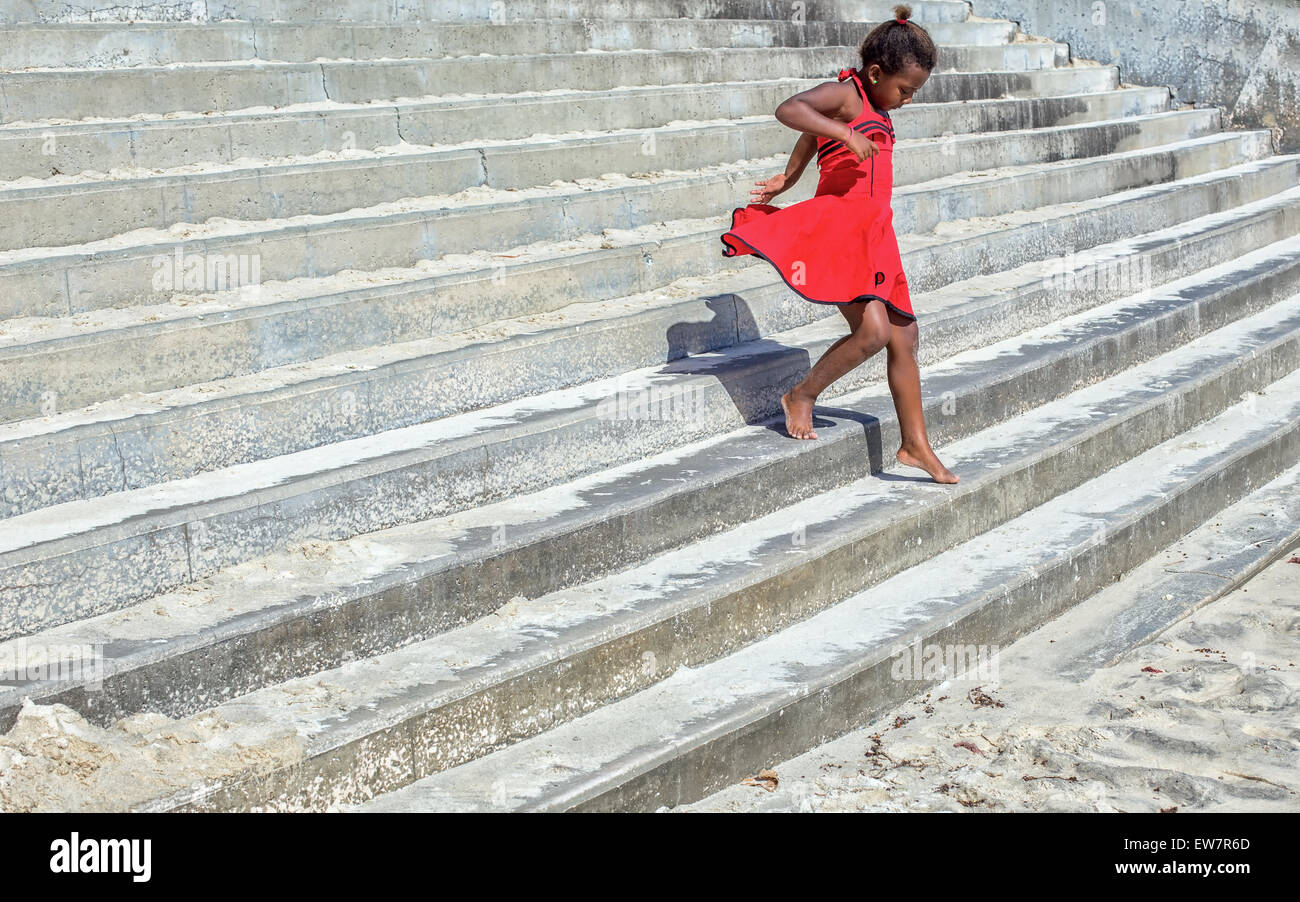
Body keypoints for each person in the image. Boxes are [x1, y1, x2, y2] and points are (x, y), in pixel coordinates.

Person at [720, 4, 958, 484]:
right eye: (905, 90)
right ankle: (802, 394)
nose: (907, 100)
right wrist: (842, 133)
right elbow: (792, 110)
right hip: (841, 232)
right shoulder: (846, 95)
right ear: (875, 72)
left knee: (905, 338)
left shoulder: (878, 105)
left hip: (876, 234)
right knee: (872, 333)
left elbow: (808, 138)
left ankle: (915, 444)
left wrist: (788, 178)